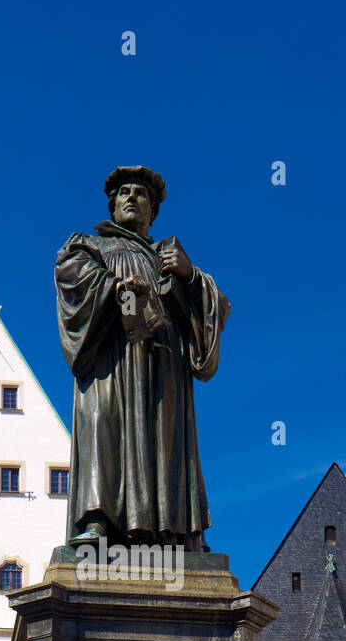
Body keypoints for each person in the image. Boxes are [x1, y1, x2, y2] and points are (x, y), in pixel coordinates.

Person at [55, 166, 230, 550]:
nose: (132, 197)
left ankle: (174, 530)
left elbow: (215, 308)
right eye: (124, 193)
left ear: (153, 211)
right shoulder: (88, 247)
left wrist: (189, 276)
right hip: (110, 364)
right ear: (112, 206)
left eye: (141, 194)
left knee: (166, 440)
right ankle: (99, 522)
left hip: (163, 369)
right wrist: (116, 289)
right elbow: (72, 281)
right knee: (103, 423)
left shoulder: (169, 258)